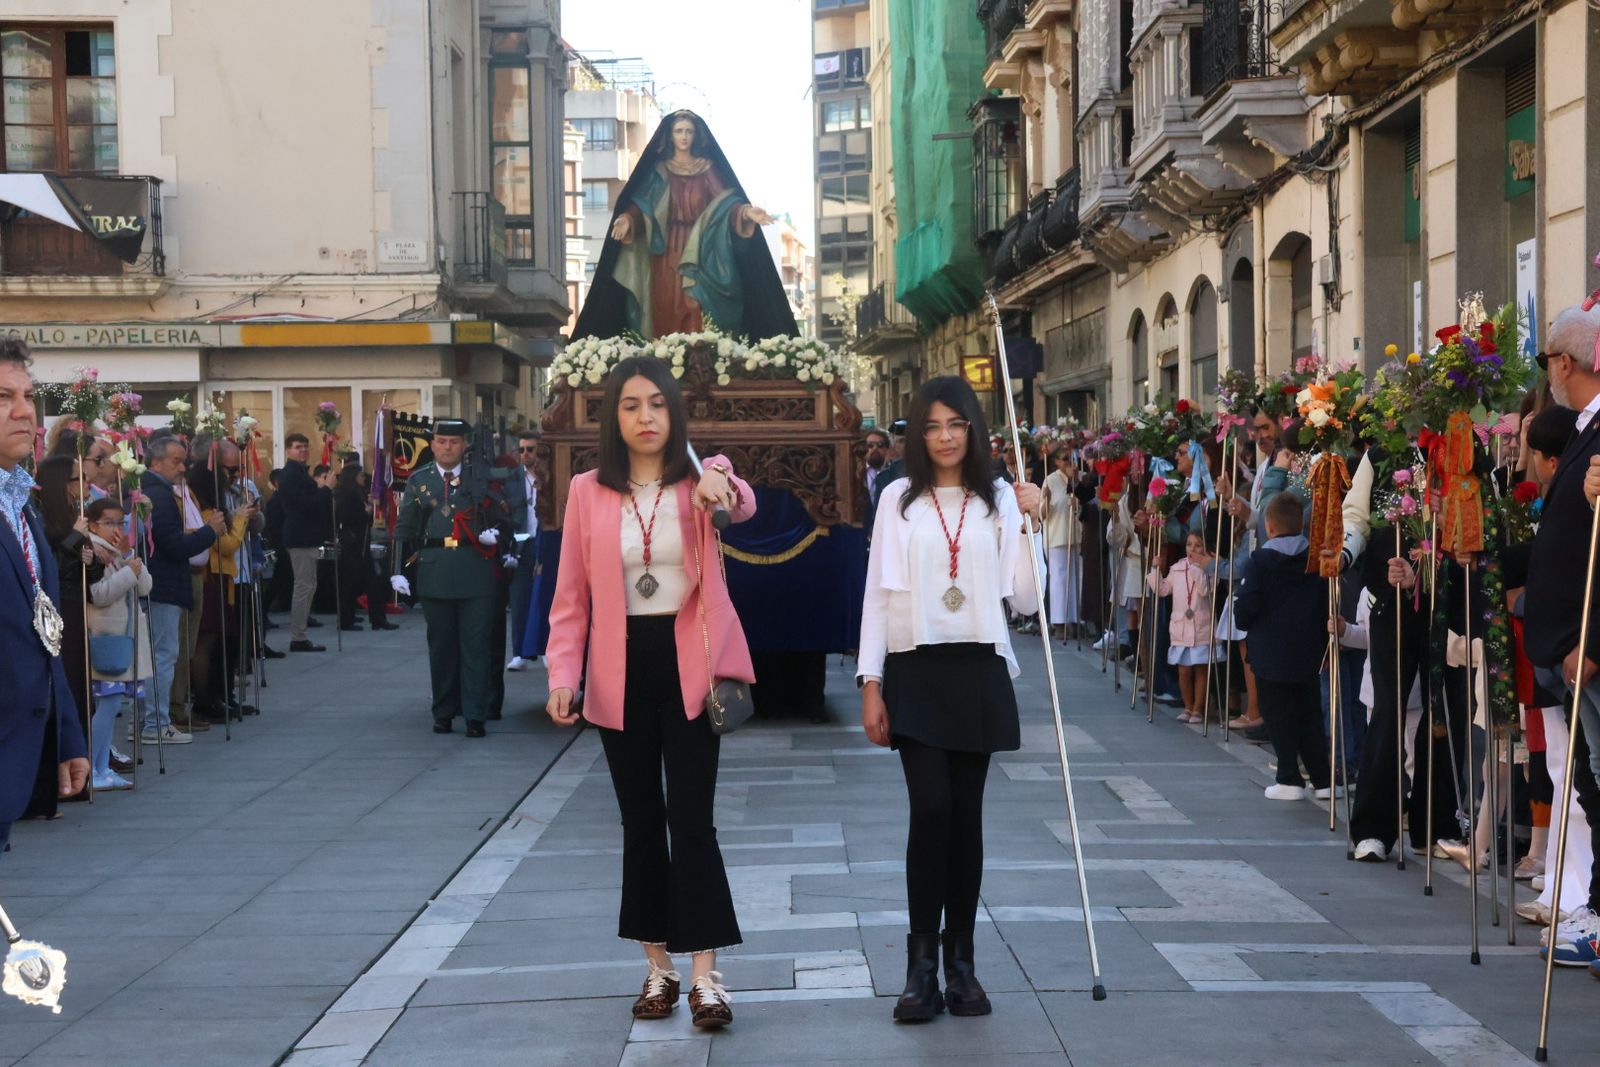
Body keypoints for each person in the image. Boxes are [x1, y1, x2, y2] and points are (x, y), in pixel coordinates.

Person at [544, 357, 753, 1028]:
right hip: (618, 667)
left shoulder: (701, 478)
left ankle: (706, 978)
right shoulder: (586, 490)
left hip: (689, 665)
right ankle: (658, 968)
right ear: (615, 416)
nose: (645, 417)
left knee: (692, 820)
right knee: (640, 823)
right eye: (631, 405)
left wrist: (722, 479)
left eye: (657, 404)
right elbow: (570, 597)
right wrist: (561, 675)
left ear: (674, 413)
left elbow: (742, 503)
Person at [858, 375, 1041, 1023]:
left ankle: (961, 966)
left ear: (973, 429)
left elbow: (1024, 600)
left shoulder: (997, 499)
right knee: (930, 808)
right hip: (914, 669)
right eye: (932, 425)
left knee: (966, 820)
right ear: (917, 431)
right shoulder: (897, 500)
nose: (943, 437)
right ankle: (920, 967)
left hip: (978, 668)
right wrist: (870, 681)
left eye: (955, 425)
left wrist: (1028, 521)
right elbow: (878, 595)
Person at [1515, 304, 1600, 970]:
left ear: (1564, 362)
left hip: (1588, 644)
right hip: (1570, 642)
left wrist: (1589, 641)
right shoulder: (1582, 431)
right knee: (1594, 778)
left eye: (1549, 360)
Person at [575, 110, 787, 341]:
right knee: (666, 303)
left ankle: (700, 357)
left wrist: (747, 212)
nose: (684, 136)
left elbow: (726, 203)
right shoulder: (659, 171)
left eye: (689, 131)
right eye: (679, 131)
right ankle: (666, 355)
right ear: (671, 136)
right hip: (665, 251)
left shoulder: (707, 169)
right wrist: (628, 219)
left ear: (696, 136)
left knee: (696, 302)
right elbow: (642, 203)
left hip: (703, 249)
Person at [0, 340, 89, 857]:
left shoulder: (24, 506)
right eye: (3, 396)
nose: (23, 411)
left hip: (18, 756)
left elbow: (44, 632)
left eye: (28, 395)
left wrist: (67, 737)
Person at [391, 419, 511, 737]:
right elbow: (405, 529)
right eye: (442, 441)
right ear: (432, 445)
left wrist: (495, 534)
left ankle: (475, 714)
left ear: (465, 445)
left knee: (476, 646)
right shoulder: (419, 481)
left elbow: (503, 519)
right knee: (441, 647)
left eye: (454, 442)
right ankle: (444, 711)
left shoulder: (481, 479)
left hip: (476, 569)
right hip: (435, 570)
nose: (447, 447)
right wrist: (398, 571)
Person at [1232, 492, 1335, 801]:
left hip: (1270, 651)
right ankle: (1323, 779)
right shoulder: (1315, 560)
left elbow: (1247, 606)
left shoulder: (1260, 560)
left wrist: (1243, 617)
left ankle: (1289, 776)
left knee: (1278, 715)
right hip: (1308, 650)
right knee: (1309, 715)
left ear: (1269, 526)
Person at [141, 435, 221, 744]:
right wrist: (208, 532)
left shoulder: (160, 492)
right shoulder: (159, 496)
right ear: (156, 462)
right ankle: (155, 723)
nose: (182, 467)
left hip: (161, 583)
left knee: (156, 655)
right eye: (175, 461)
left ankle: (149, 720)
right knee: (163, 655)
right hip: (163, 585)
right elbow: (172, 545)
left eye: (184, 460)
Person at [33, 454, 102, 801]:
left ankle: (82, 767)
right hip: (57, 611)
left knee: (80, 687)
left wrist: (90, 557)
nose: (84, 485)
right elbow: (47, 566)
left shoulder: (75, 518)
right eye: (77, 479)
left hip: (76, 607)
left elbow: (90, 571)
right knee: (68, 688)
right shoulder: (42, 519)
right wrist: (75, 540)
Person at [85, 497, 150, 790]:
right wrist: (127, 572)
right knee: (107, 704)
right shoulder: (92, 551)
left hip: (125, 636)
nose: (116, 528)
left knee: (113, 705)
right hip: (105, 635)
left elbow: (146, 586)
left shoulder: (118, 552)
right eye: (109, 522)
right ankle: (92, 767)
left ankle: (101, 766)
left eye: (120, 522)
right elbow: (98, 594)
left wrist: (129, 559)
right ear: (93, 523)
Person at [1148, 531, 1219, 725]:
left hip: (1201, 626)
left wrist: (1197, 567)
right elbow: (1162, 589)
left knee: (1201, 670)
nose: (1192, 549)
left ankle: (1198, 708)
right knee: (1184, 670)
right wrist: (1156, 570)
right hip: (1181, 627)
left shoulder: (1210, 568)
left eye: (1197, 545)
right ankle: (1188, 706)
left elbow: (1205, 590)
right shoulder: (1177, 568)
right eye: (1189, 544)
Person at [278, 432, 332, 652]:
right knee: (304, 585)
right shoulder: (291, 474)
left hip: (305, 535)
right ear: (288, 450)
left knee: (308, 585)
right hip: (299, 537)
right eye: (298, 447)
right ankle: (298, 636)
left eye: (305, 446)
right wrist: (325, 488)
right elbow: (305, 505)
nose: (303, 451)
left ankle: (300, 632)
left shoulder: (299, 473)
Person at [335, 465, 394, 631]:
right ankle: (354, 619)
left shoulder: (354, 494)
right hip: (354, 545)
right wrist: (366, 511)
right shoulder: (348, 496)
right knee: (353, 584)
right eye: (360, 475)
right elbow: (349, 518)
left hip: (360, 543)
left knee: (369, 583)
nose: (363, 478)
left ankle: (376, 619)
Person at [506, 429, 541, 672]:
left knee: (545, 597)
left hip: (545, 540)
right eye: (522, 450)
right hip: (521, 543)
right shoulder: (512, 479)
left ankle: (546, 648)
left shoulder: (550, 476)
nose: (525, 454)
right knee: (519, 600)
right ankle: (519, 653)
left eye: (530, 449)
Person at [1042, 447, 1082, 642]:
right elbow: (1042, 512)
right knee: (1058, 578)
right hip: (1057, 535)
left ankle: (1074, 619)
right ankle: (1058, 621)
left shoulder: (1079, 478)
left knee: (1076, 577)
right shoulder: (1050, 480)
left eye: (1072, 458)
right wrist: (1047, 501)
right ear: (1057, 462)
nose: (1069, 462)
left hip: (1076, 535)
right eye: (1065, 458)